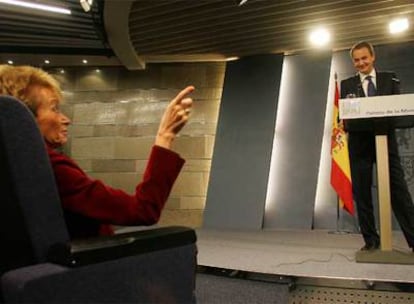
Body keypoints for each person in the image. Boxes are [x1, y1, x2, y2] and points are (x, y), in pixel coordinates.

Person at [0, 64, 194, 239]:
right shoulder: (49, 167)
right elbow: (143, 210)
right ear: (23, 118)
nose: (66, 119)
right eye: (55, 108)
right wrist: (165, 136)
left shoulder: (13, 168)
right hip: (87, 271)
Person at [340, 41, 414, 251]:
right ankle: (371, 241)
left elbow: (397, 107)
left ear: (373, 57)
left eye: (364, 58)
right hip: (359, 144)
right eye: (356, 60)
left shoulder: (388, 78)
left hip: (385, 142)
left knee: (399, 192)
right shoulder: (347, 84)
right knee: (362, 194)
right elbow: (345, 115)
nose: (361, 63)